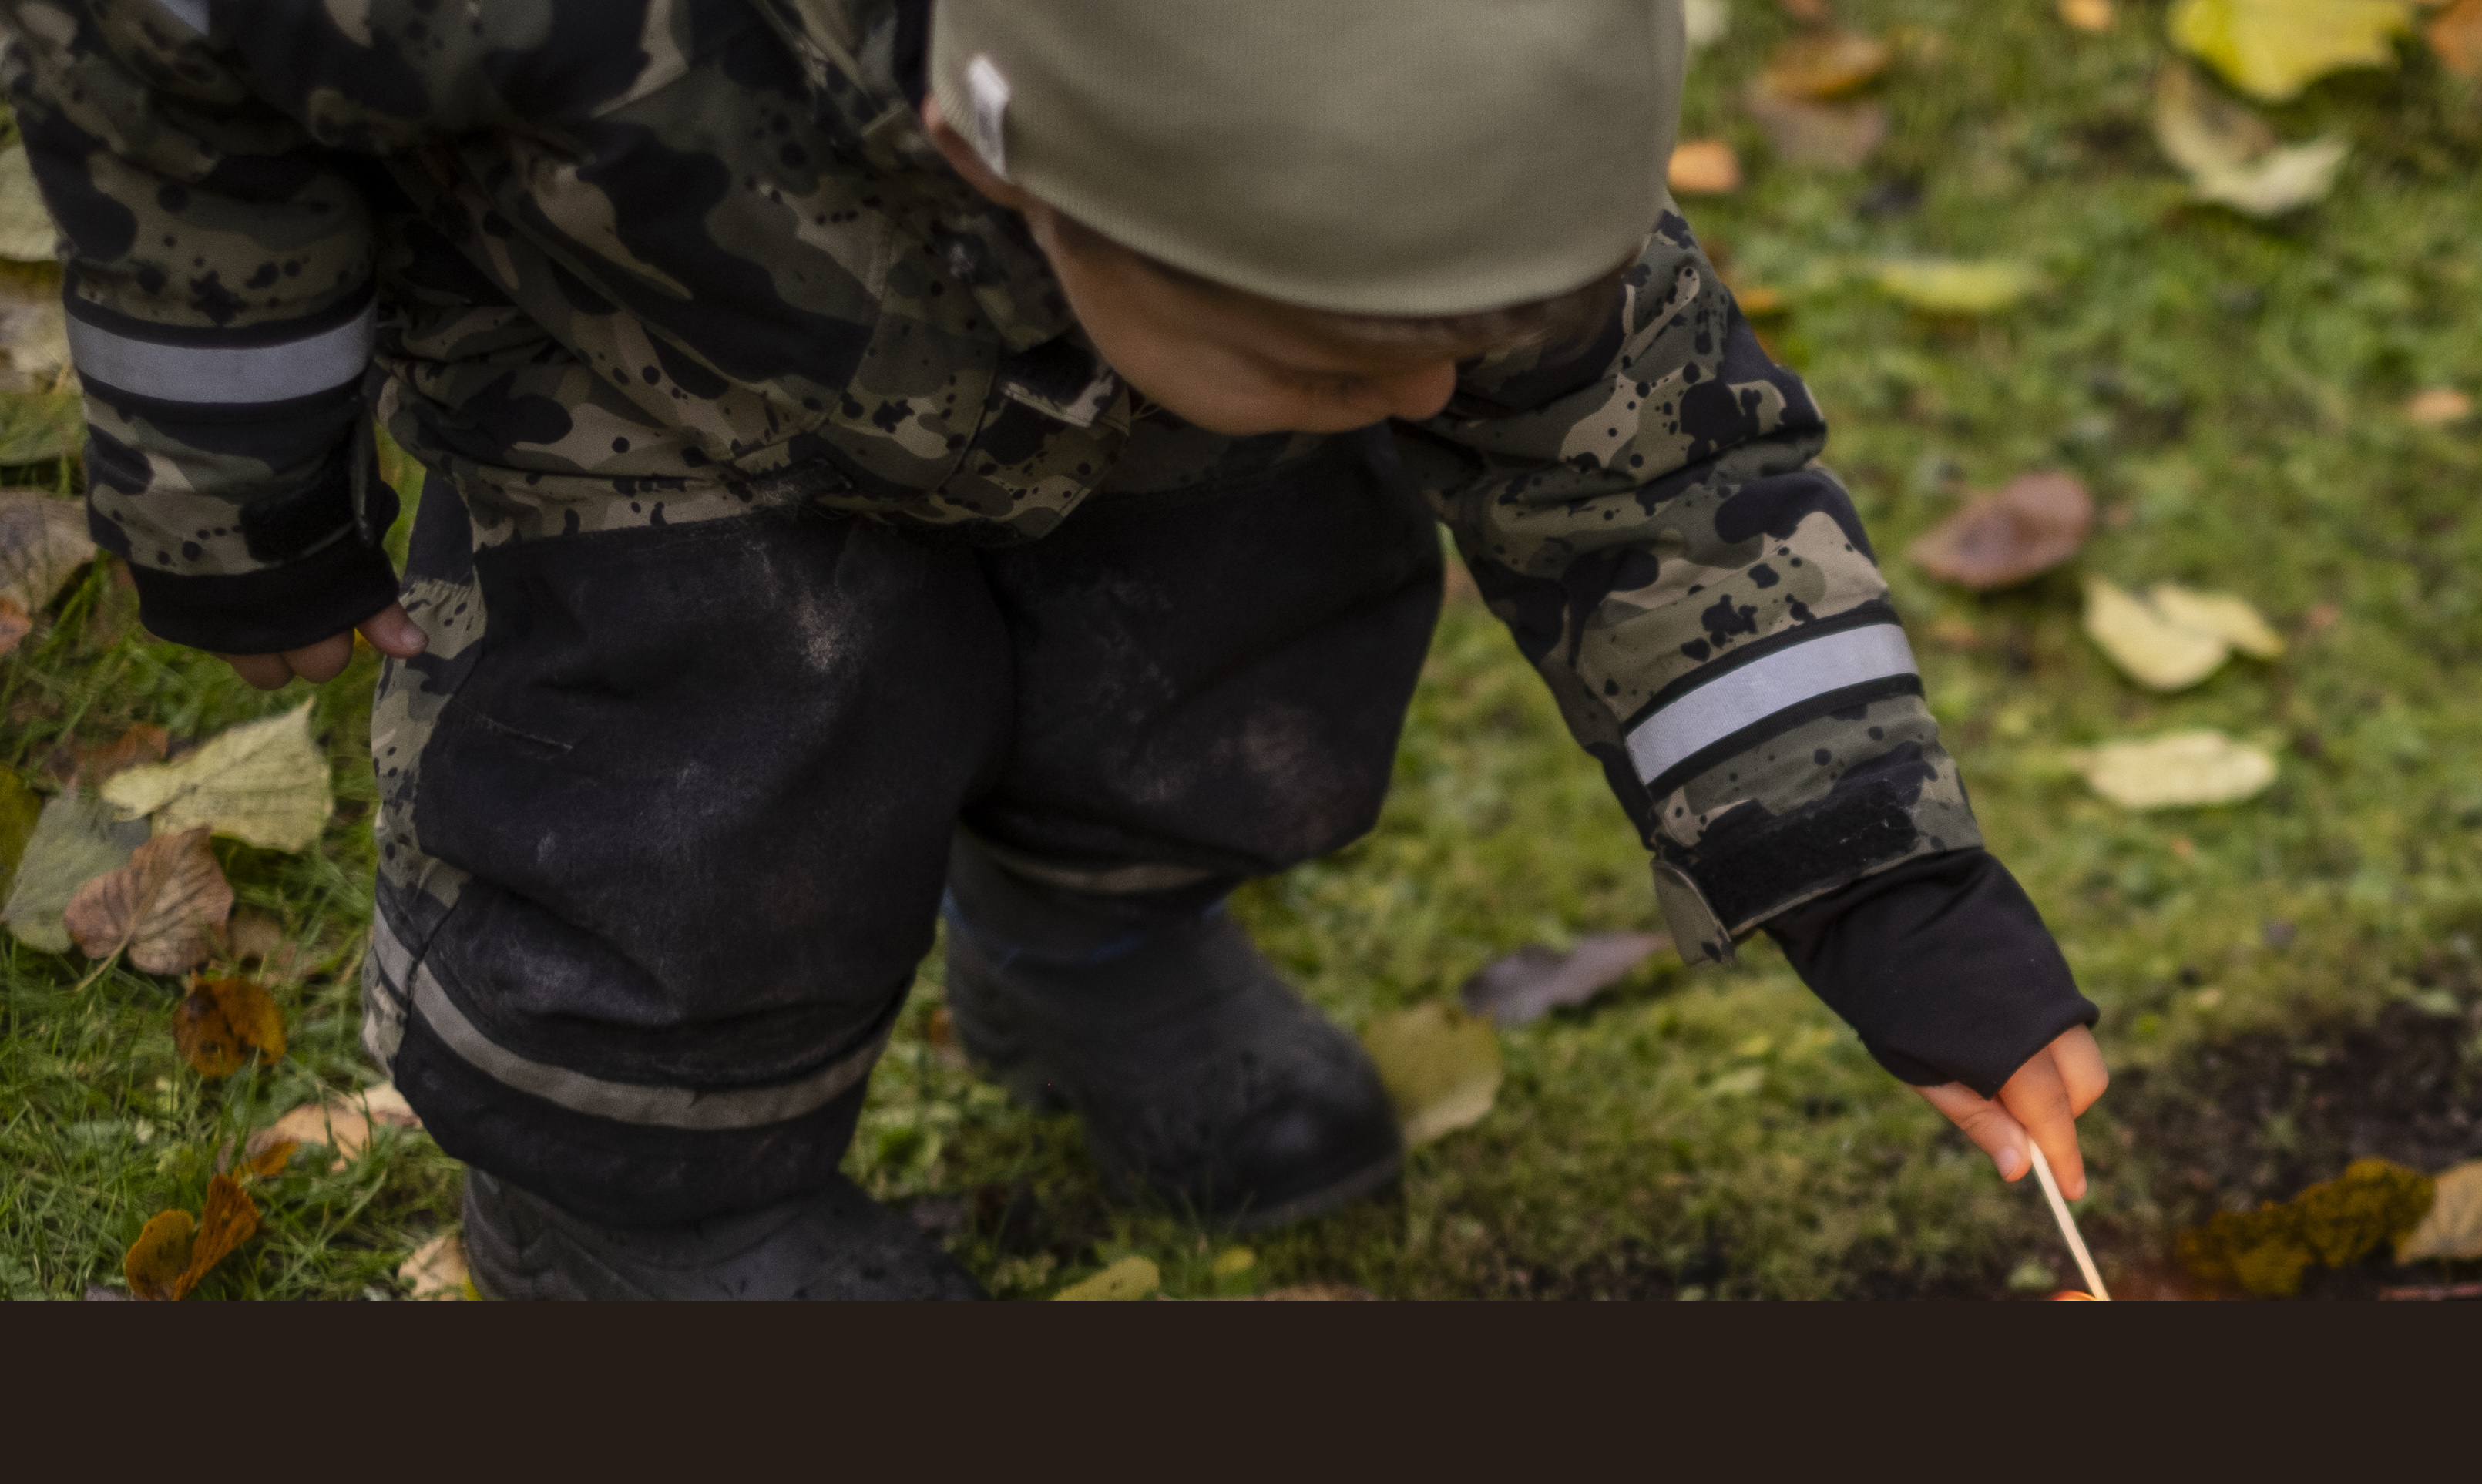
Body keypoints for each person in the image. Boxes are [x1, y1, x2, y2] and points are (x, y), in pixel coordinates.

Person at [7, 0, 2108, 1296]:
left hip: (1139, 386)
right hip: (651, 366)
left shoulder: (1438, 140)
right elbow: (162, 73)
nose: (1434, 402)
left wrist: (1882, 887)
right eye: (1353, 352)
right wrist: (236, 486)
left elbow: (1653, 471)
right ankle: (642, 1200)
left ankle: (1093, 947)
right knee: (683, 775)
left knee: (1234, 638)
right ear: (1004, 164)